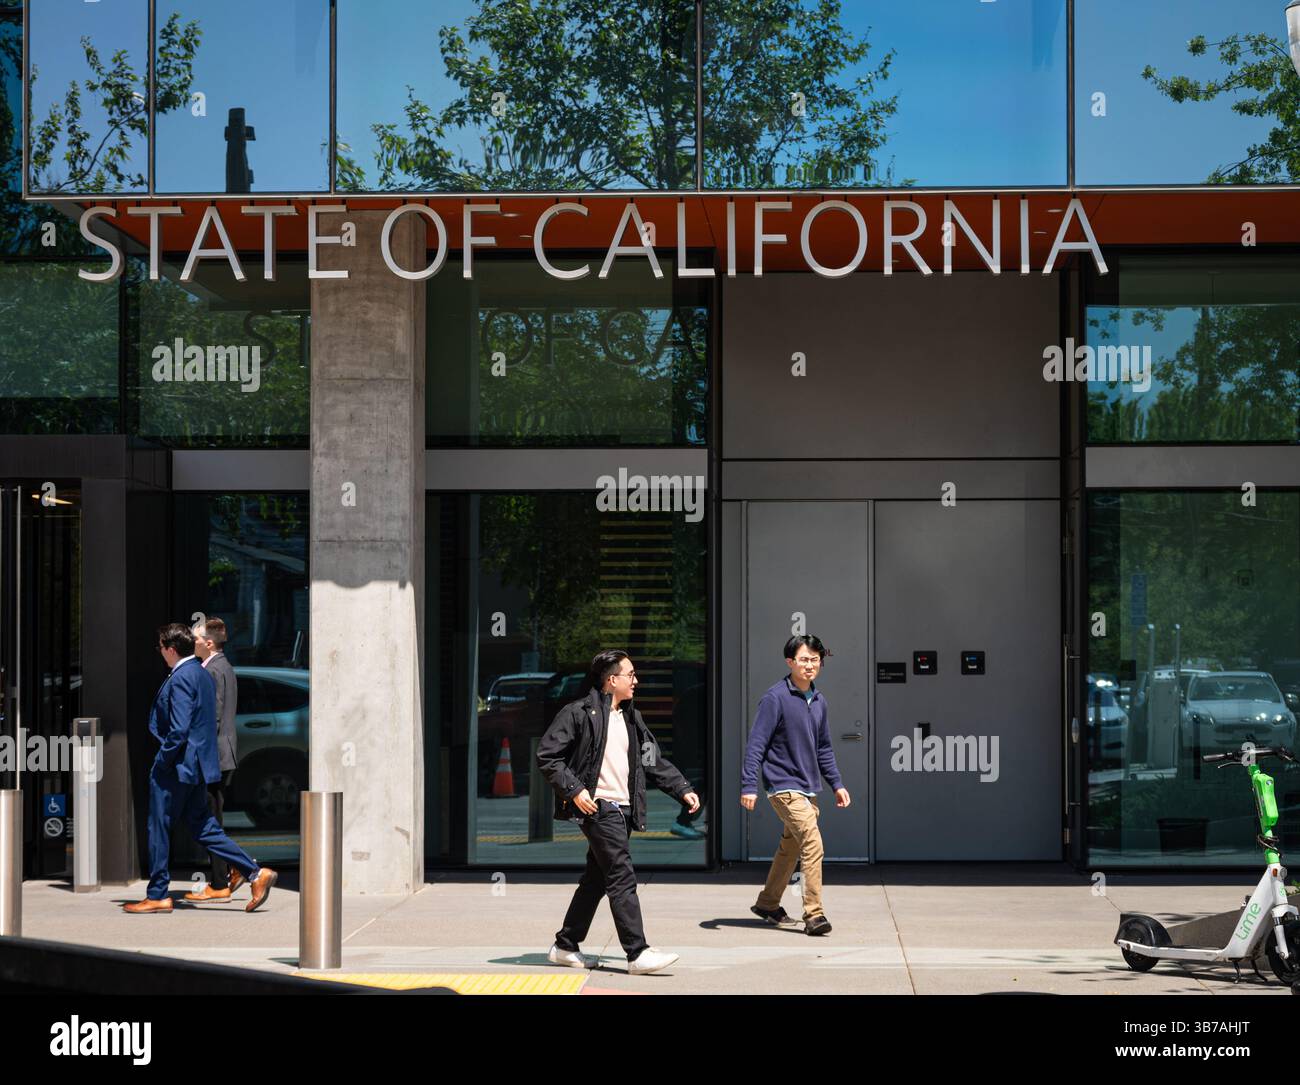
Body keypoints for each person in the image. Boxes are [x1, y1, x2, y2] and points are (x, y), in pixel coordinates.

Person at [537, 649, 700, 975]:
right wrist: (576, 790)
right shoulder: (579, 713)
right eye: (631, 675)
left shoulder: (630, 717)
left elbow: (652, 760)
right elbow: (547, 755)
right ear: (612, 680)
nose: (636, 681)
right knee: (622, 877)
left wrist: (682, 788)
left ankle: (566, 945)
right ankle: (636, 953)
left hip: (623, 809)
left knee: (596, 879)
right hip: (599, 808)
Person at [123, 622, 275, 914]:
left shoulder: (181, 677)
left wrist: (162, 761)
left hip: (177, 767)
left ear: (169, 649)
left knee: (159, 827)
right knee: (204, 826)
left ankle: (157, 894)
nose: (160, 653)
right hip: (197, 766)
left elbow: (179, 730)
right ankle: (256, 873)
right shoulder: (202, 673)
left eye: (161, 648)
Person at [740, 635, 851, 936]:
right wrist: (749, 785)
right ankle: (814, 914)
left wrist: (837, 783)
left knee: (790, 847)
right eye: (804, 659)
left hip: (807, 788)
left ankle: (767, 903)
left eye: (815, 659)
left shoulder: (819, 700)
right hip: (783, 786)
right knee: (813, 844)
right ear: (790, 662)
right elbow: (756, 745)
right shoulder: (775, 698)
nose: (810, 665)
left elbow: (824, 748)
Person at [184, 617, 242, 902]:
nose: (192, 644)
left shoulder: (212, 671)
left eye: (195, 640)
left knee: (210, 819)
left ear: (208, 643)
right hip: (222, 753)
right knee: (211, 817)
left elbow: (213, 716)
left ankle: (223, 881)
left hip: (214, 756)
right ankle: (230, 873)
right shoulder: (222, 667)